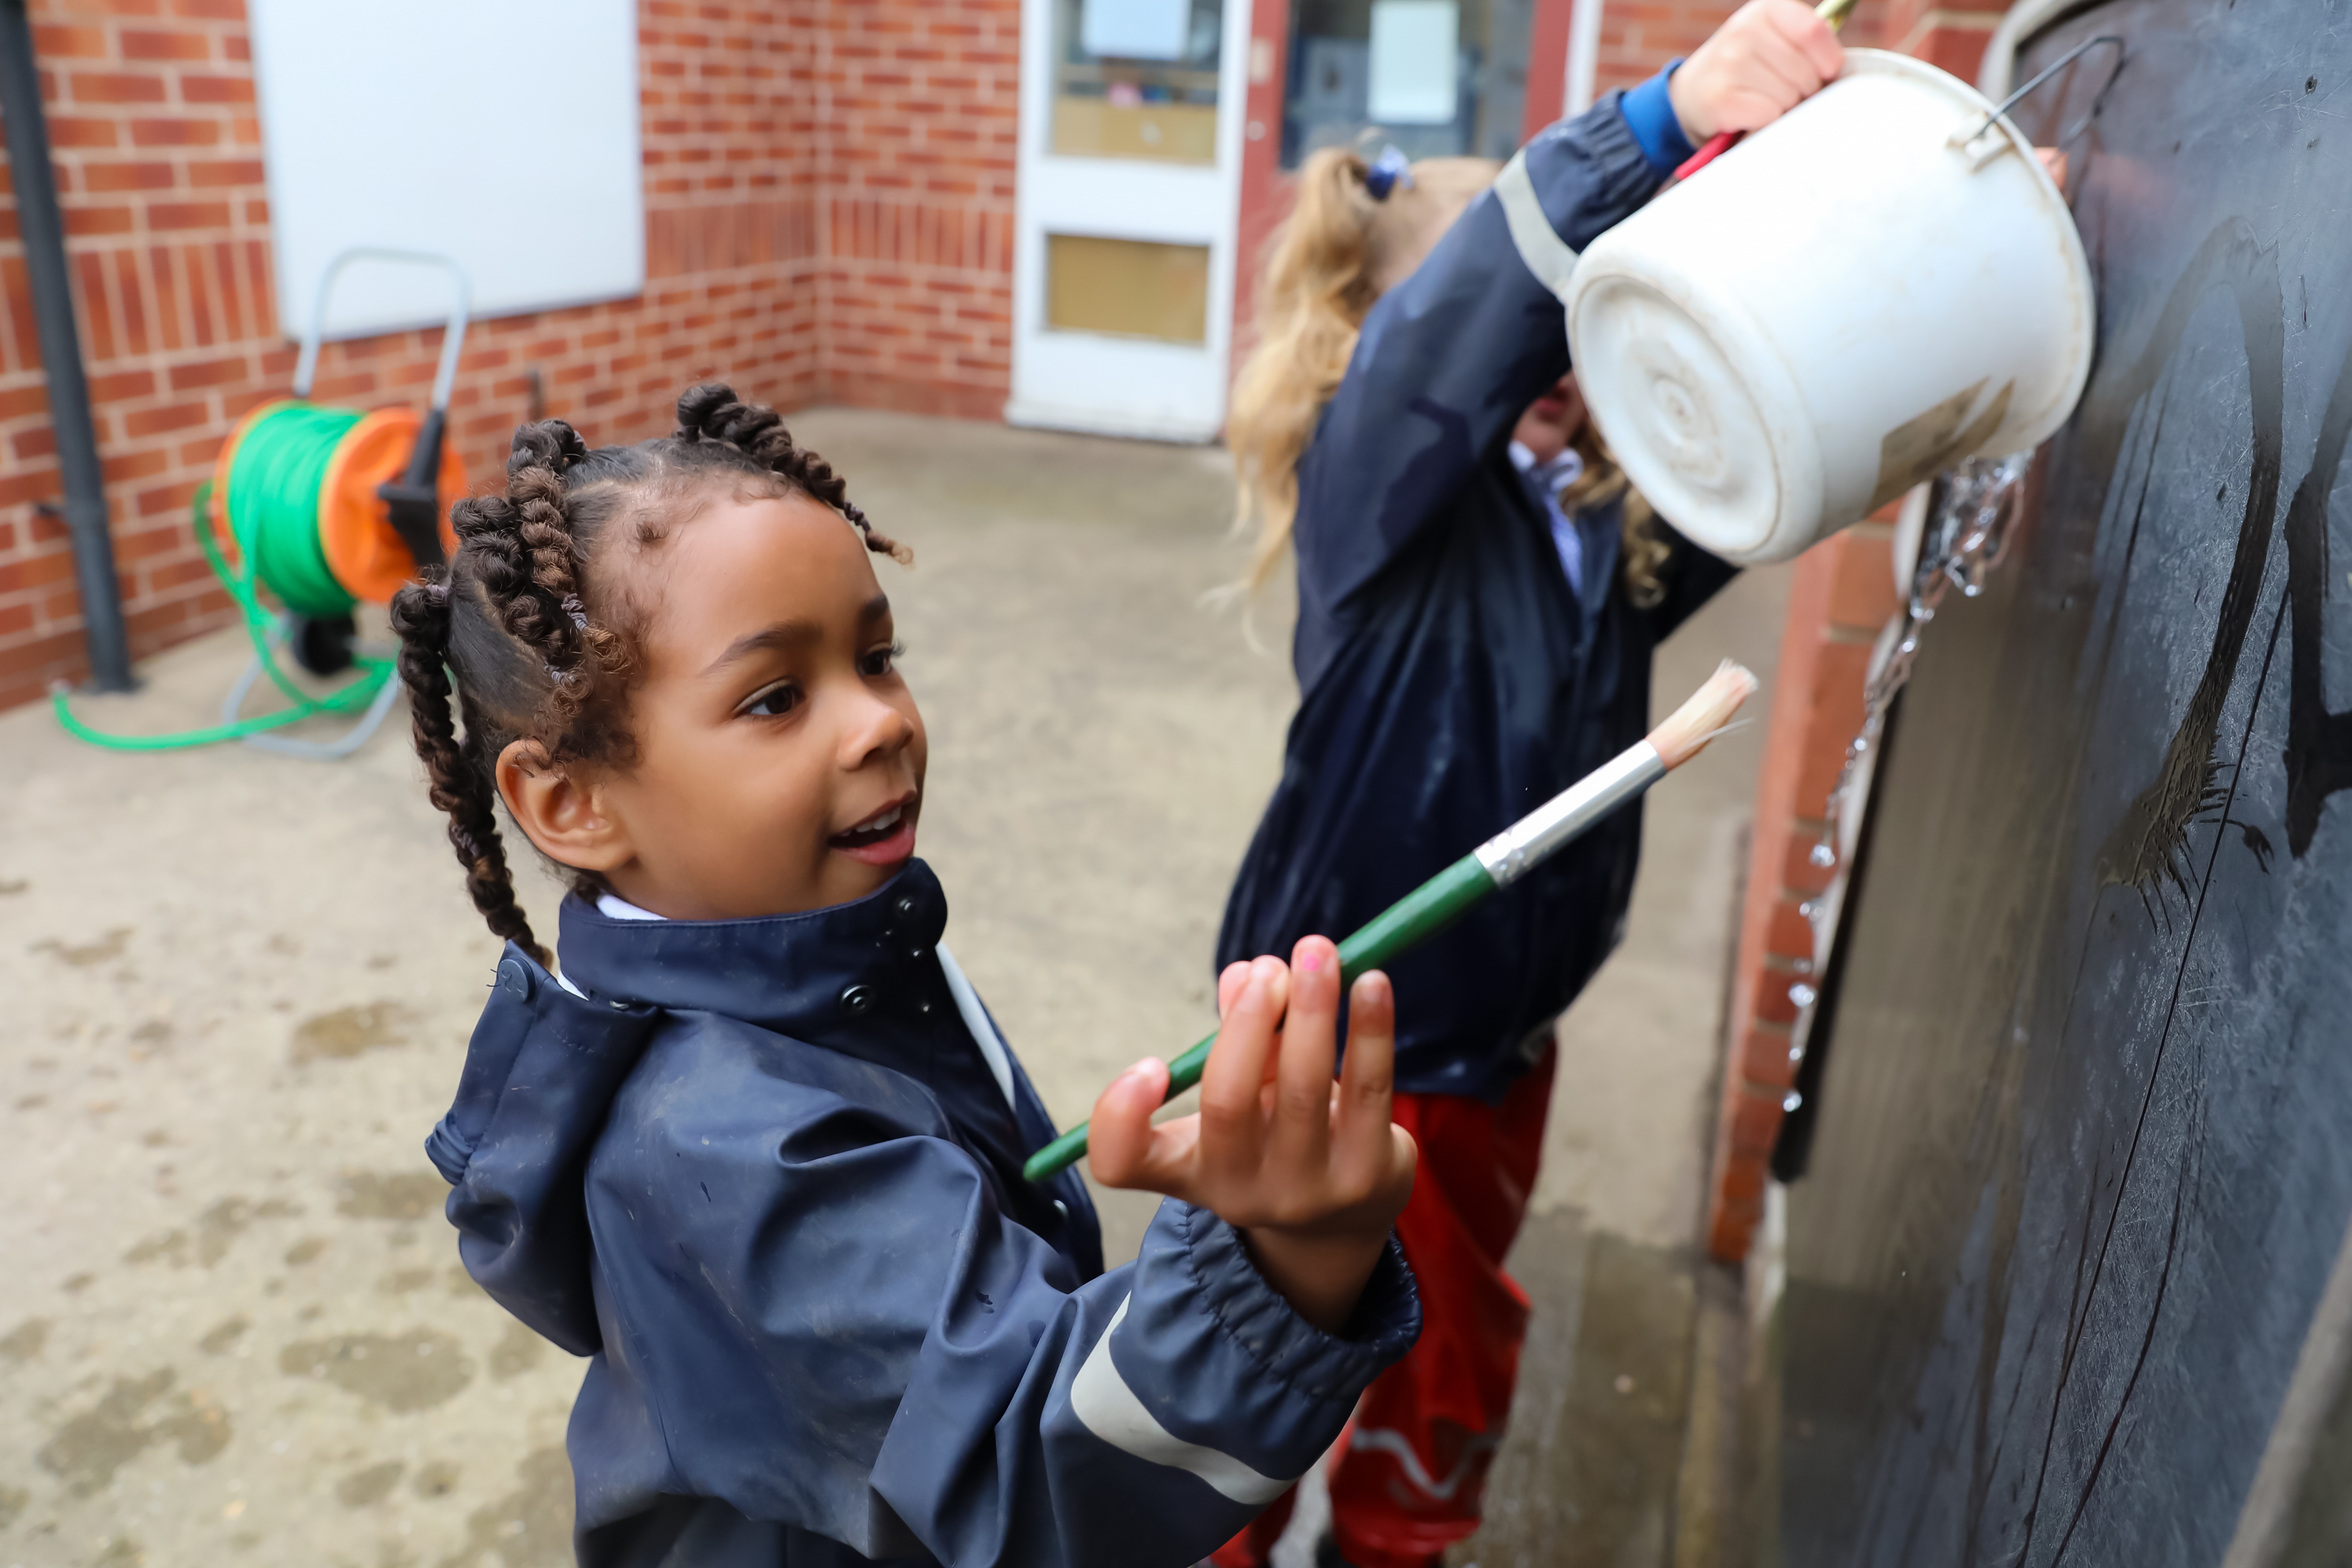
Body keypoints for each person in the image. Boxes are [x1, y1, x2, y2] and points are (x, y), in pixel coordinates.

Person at [396, 384, 1423, 1567]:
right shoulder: (721, 1143)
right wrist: (1282, 1271)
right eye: (775, 696)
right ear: (571, 802)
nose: (878, 720)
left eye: (876, 656)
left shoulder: (839, 944)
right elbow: (1021, 1464)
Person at [1213, 4, 1845, 1564]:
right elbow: (1455, 333)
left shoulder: (1597, 534)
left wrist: (1907, 273)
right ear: (1388, 346)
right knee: (1258, 1352)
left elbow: (1780, 460)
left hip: (1496, 1049)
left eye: (1586, 323)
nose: (1553, 359)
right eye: (1532, 323)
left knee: (1446, 1361)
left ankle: (1392, 1541)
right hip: (1353, 1043)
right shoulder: (1373, 497)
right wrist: (1648, 128)